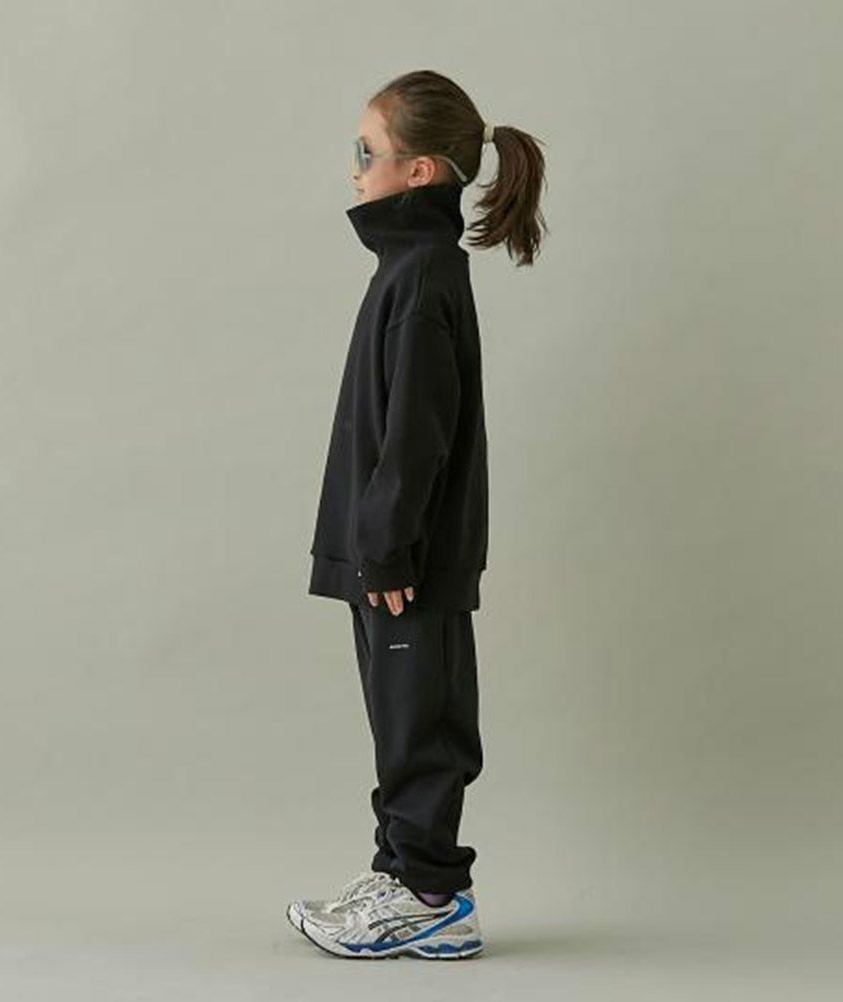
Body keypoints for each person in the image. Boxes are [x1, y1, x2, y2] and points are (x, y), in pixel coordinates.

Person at [288, 69, 548, 960]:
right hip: (388, 554)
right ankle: (401, 874)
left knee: (420, 722)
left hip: (408, 559)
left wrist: (390, 546)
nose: (354, 168)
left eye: (367, 151)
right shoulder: (406, 268)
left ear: (420, 172)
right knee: (400, 716)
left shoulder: (427, 273)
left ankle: (433, 895)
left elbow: (419, 432)